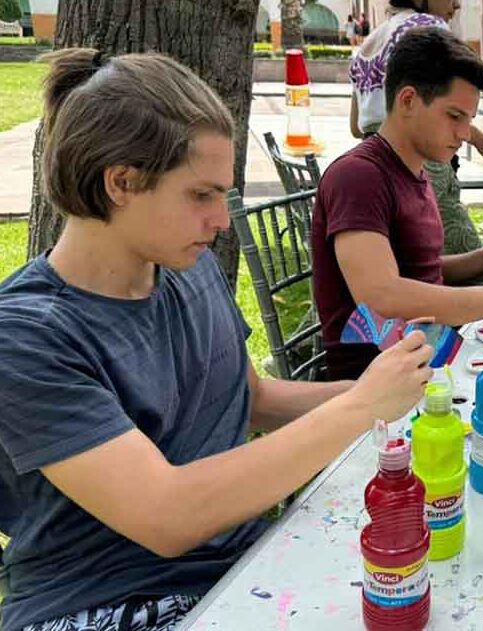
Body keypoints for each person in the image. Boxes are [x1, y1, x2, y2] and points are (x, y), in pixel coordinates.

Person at [0, 49, 434, 631]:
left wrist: (399, 391)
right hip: (101, 601)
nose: (223, 220)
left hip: (239, 566)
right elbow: (168, 515)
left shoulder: (186, 265)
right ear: (122, 182)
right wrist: (360, 405)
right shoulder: (28, 337)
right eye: (201, 195)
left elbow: (251, 397)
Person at [313, 28, 483, 380]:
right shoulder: (358, 177)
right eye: (454, 116)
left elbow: (420, 270)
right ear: (408, 100)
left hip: (431, 353)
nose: (464, 133)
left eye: (470, 120)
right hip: (376, 384)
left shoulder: (415, 171)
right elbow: (383, 295)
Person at [348, 0, 483, 267]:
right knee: (460, 256)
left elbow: (357, 127)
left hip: (380, 153)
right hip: (423, 162)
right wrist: (481, 140)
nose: (456, 5)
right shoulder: (428, 29)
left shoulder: (366, 46)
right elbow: (386, 294)